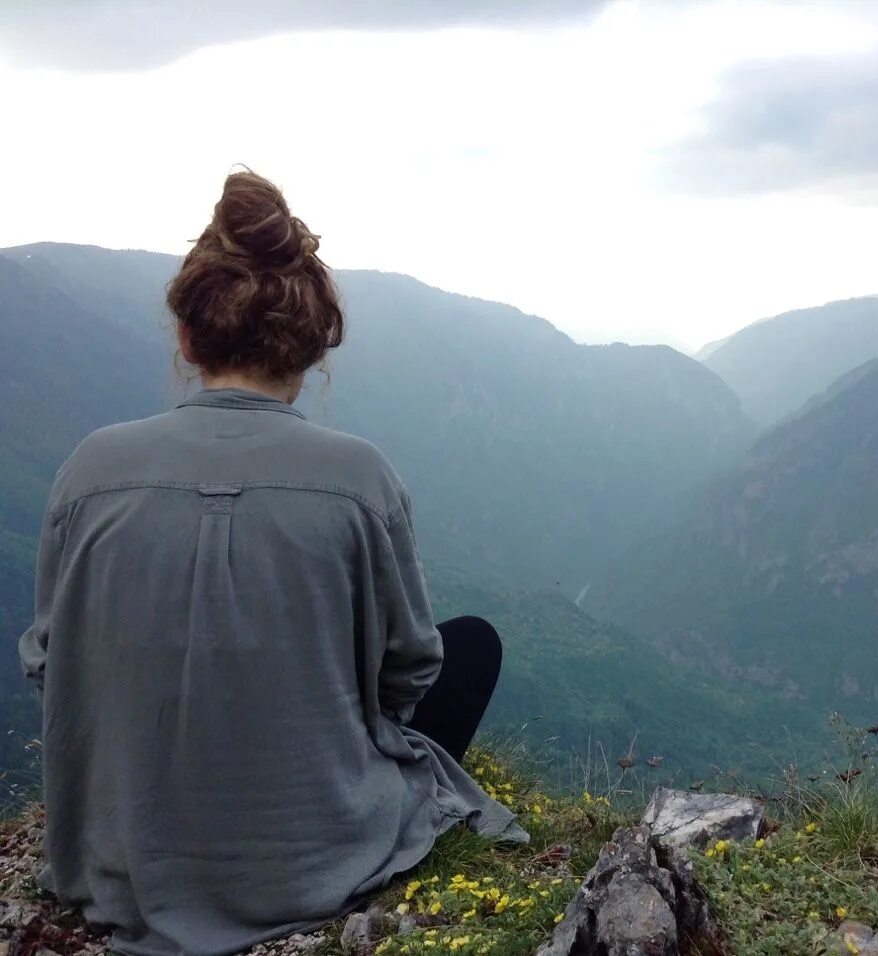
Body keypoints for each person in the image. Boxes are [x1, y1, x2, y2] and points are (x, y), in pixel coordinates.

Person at [17, 170, 526, 956]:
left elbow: (50, 660)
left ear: (187, 337)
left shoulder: (90, 470)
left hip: (118, 863)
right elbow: (412, 670)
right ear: (313, 344)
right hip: (313, 863)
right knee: (473, 645)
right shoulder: (360, 477)